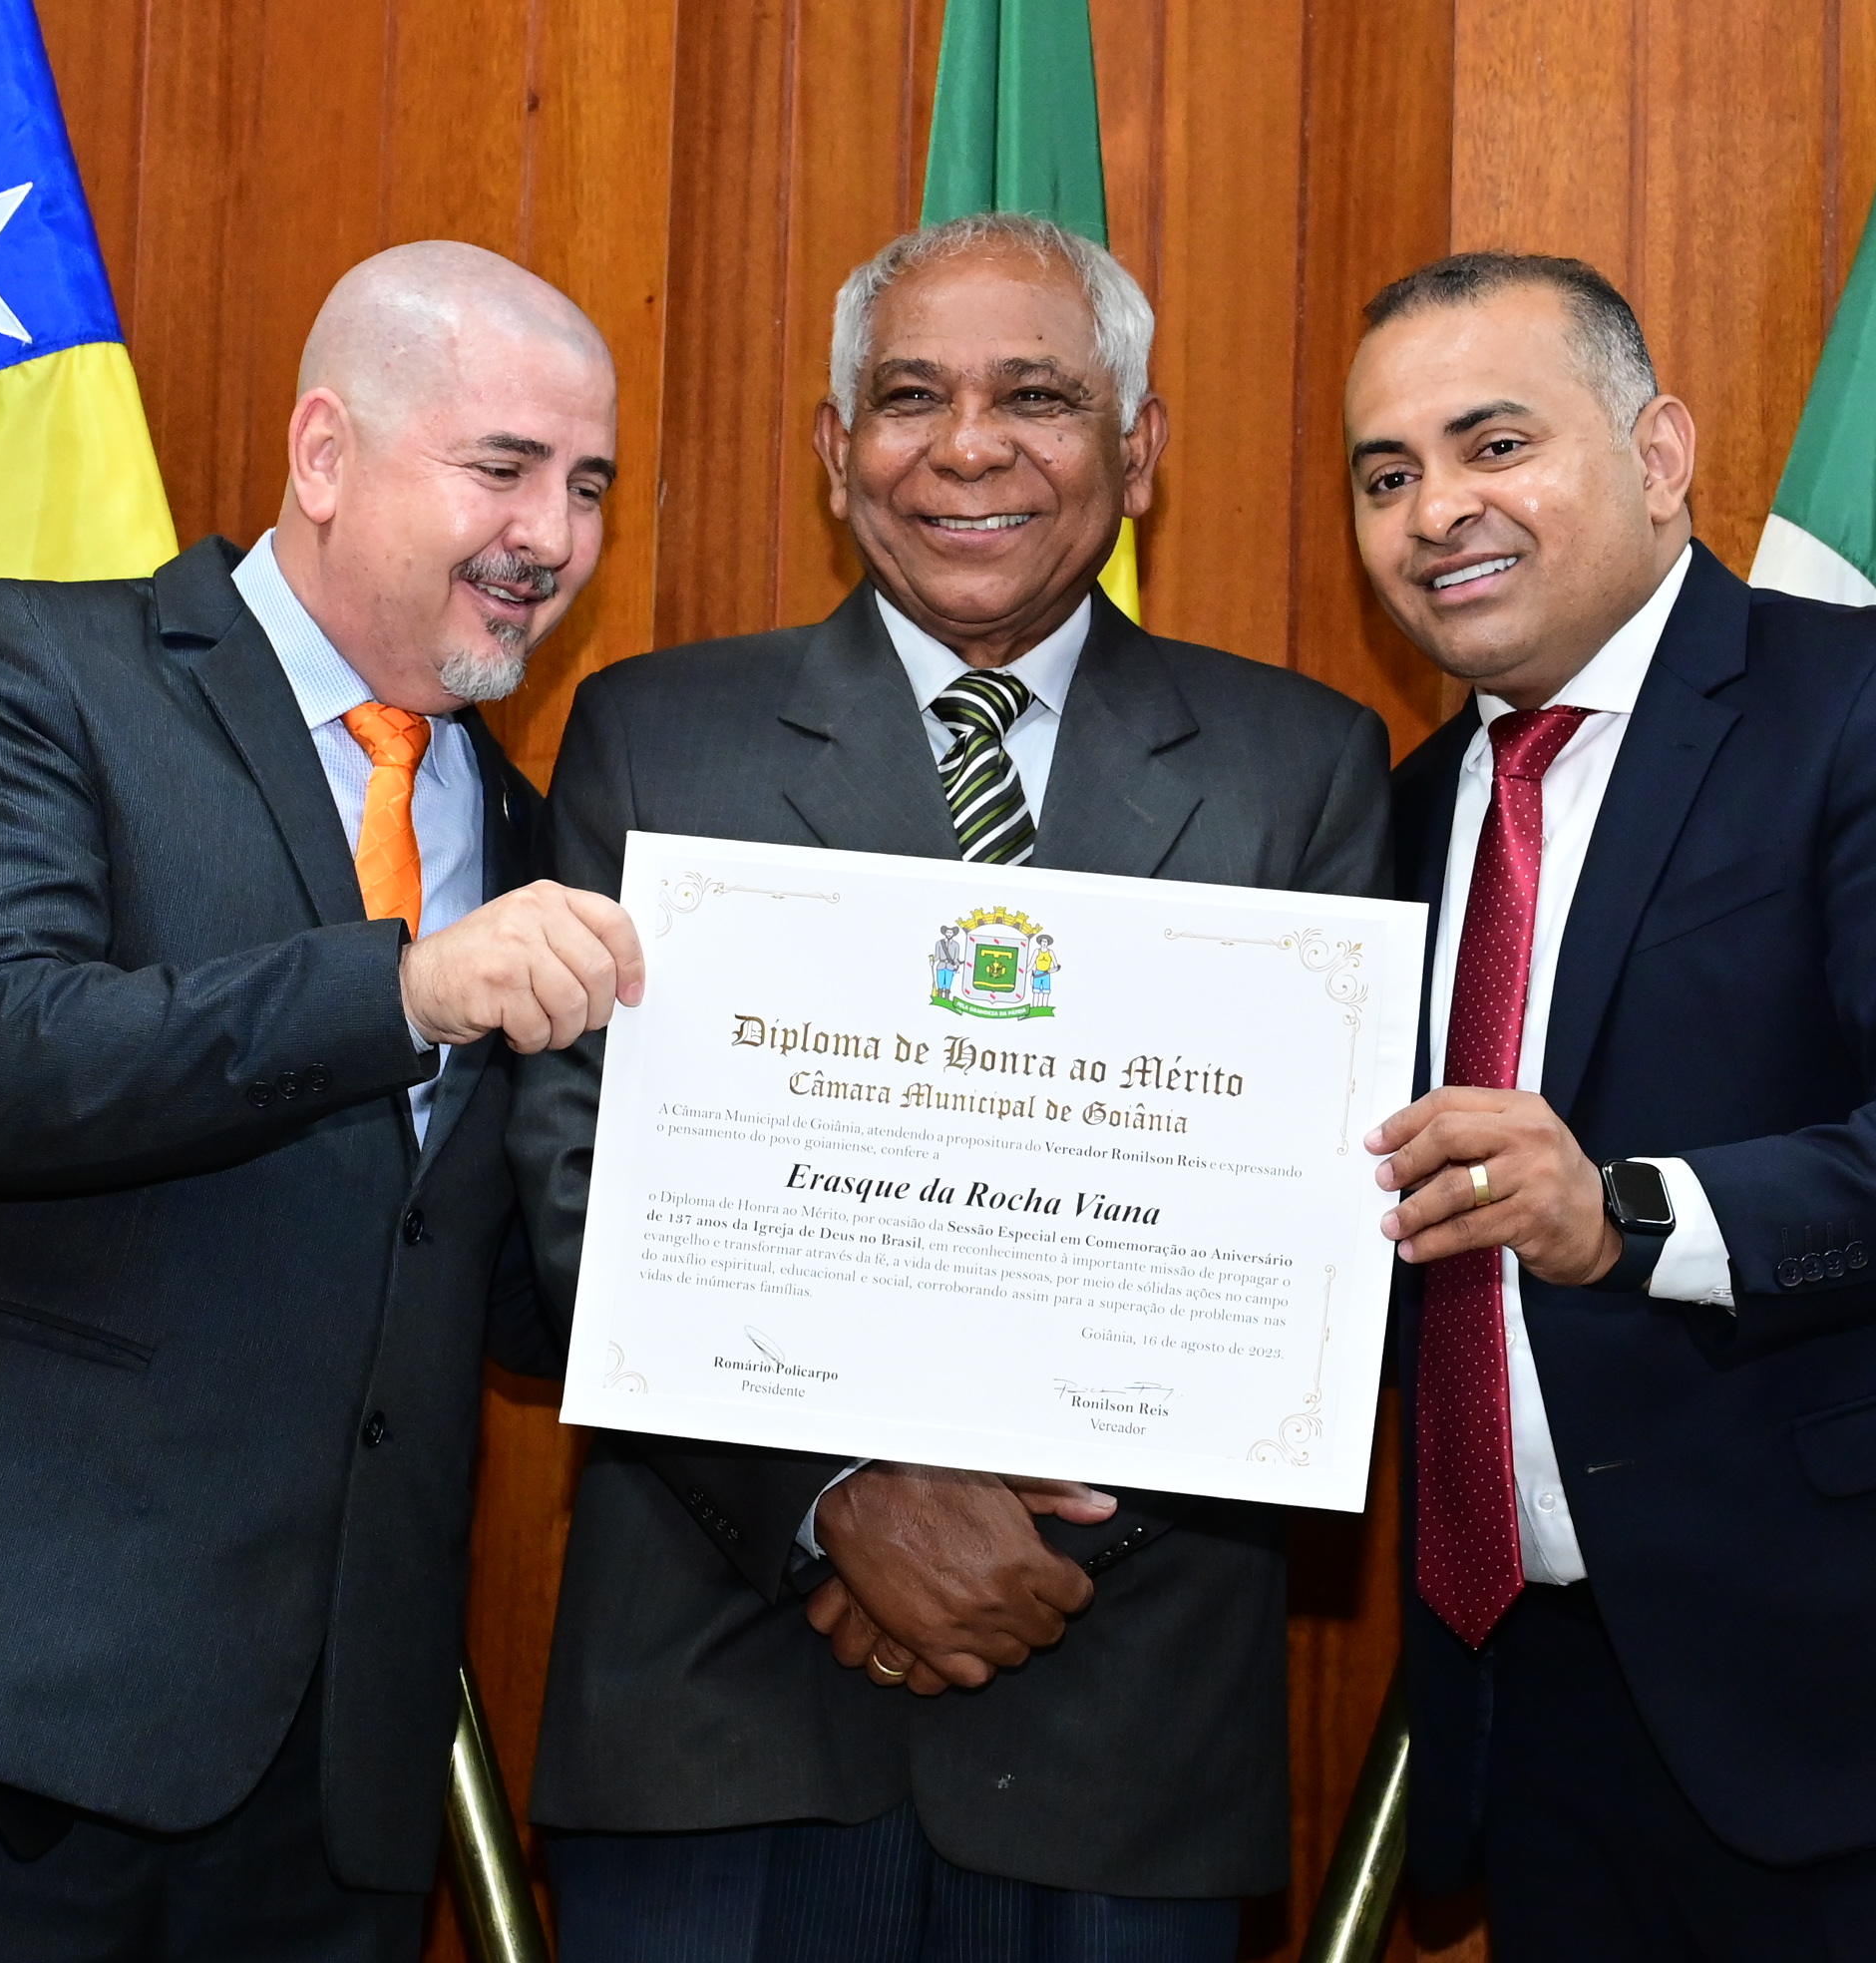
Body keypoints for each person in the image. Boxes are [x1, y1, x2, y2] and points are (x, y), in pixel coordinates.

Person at [0, 241, 645, 1962]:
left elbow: (511, 1283)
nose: (552, 537)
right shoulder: (36, 669)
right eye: (504, 467)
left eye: (587, 486)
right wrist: (401, 988)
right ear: (324, 454)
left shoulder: (529, 839)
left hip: (323, 1811)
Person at [507, 211, 1392, 1962]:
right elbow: (573, 1178)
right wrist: (838, 1497)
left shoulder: (1303, 766)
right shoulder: (655, 737)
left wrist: (1028, 1535)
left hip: (1117, 1728)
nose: (968, 448)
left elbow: (1314, 1243)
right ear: (836, 453)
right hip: (726, 1713)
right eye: (910, 398)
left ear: (1138, 450)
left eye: (1037, 397)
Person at [1347, 251, 1876, 1960]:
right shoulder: (1392, 816)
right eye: (1386, 474)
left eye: (1495, 444)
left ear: (1659, 456)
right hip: (1547, 1721)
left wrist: (1626, 1212)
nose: (1436, 511)